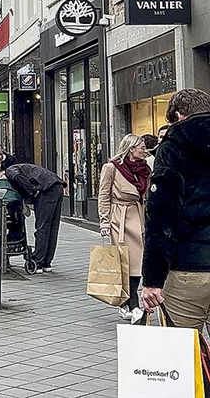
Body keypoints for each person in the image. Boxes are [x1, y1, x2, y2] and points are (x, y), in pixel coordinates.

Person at [142, 88, 210, 333]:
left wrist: (152, 280)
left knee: (182, 350)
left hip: (188, 267)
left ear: (179, 115)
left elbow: (161, 217)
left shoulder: (172, 148)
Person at [98, 134, 151, 321]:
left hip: (138, 216)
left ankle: (129, 303)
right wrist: (104, 222)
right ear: (131, 149)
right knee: (124, 262)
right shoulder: (111, 168)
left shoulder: (144, 169)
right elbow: (103, 195)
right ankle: (130, 304)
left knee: (137, 263)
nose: (145, 151)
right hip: (119, 219)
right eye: (142, 148)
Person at [4, 163, 66, 273]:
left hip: (46, 190)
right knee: (52, 227)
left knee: (42, 227)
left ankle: (38, 261)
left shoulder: (9, 170)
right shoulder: (22, 168)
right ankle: (46, 262)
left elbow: (18, 177)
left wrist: (32, 190)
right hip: (57, 186)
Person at [0, 170, 25, 245]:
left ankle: (14, 236)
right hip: (1, 207)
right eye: (1, 175)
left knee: (15, 212)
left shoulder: (14, 184)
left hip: (13, 206)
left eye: (5, 175)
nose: (4, 177)